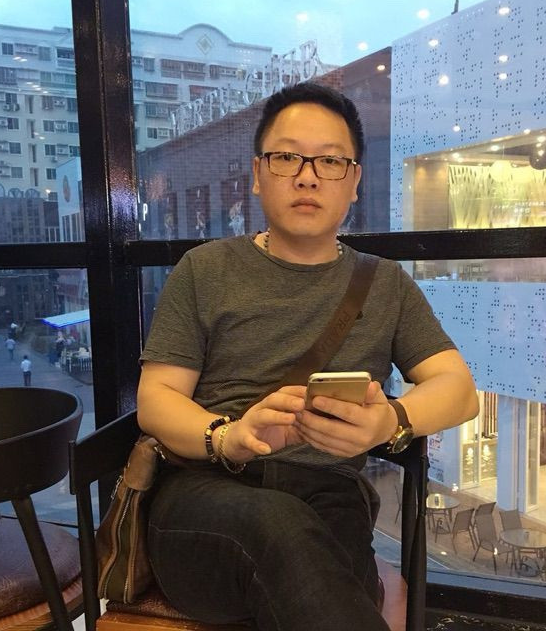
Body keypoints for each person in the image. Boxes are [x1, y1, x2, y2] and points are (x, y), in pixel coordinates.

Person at [137, 83, 479, 631]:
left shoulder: (385, 284)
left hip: (329, 495)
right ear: (257, 173)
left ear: (354, 182)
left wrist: (389, 422)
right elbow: (156, 400)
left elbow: (458, 389)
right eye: (287, 157)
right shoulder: (204, 269)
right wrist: (228, 436)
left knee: (313, 562)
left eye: (330, 161)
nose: (307, 176)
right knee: (285, 533)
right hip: (208, 493)